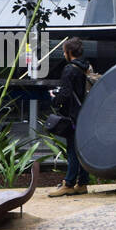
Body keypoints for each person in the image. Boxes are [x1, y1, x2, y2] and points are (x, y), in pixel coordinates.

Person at [48, 37, 91, 197]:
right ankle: (83, 183)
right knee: (81, 150)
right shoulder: (85, 67)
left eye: (65, 51)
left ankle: (69, 183)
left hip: (73, 116)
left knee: (73, 150)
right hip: (86, 114)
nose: (64, 54)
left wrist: (54, 98)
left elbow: (65, 95)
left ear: (69, 52)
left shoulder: (69, 69)